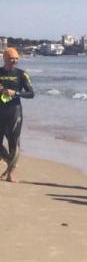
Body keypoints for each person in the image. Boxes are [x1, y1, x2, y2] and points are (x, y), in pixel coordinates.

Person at [0, 47, 35, 183]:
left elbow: (31, 93)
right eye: (11, 58)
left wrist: (16, 93)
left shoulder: (21, 74)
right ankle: (9, 160)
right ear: (4, 58)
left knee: (14, 141)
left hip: (14, 110)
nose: (14, 61)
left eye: (16, 58)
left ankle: (11, 174)